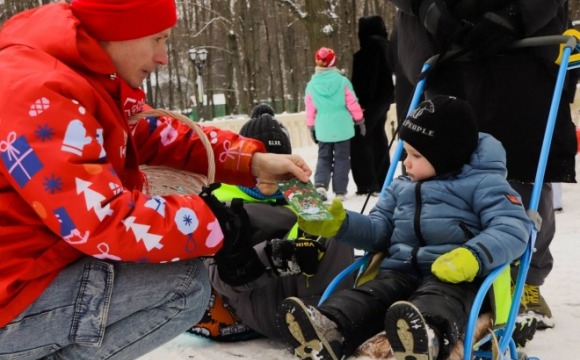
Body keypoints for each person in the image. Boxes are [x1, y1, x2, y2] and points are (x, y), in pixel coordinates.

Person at [0, 2, 311, 359]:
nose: (163, 57)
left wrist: (251, 160)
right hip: (12, 297)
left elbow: (154, 134)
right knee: (182, 287)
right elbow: (102, 219)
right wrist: (216, 223)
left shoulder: (84, 74)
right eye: (157, 39)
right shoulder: (40, 91)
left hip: (31, 270)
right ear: (118, 31)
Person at [276, 96, 531, 360]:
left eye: (416, 155)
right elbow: (378, 230)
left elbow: (513, 226)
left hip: (455, 278)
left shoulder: (484, 184)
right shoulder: (401, 187)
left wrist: (473, 255)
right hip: (399, 273)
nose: (406, 162)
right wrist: (341, 224)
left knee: (438, 300)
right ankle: (329, 327)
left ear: (447, 155)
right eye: (405, 153)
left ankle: (425, 339)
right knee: (369, 296)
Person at [388, 0, 577, 329]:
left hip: (523, 52)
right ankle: (428, 276)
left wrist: (516, 15)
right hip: (442, 48)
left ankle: (525, 280)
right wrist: (428, 8)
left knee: (523, 172)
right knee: (436, 171)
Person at [189, 107, 355, 340]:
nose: (269, 174)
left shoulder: (301, 198)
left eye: (277, 162)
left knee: (336, 227)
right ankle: (324, 323)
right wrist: (277, 255)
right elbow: (219, 278)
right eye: (263, 163)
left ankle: (340, 315)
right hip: (260, 303)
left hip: (318, 300)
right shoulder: (225, 206)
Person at [305, 47, 365, 202]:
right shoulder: (342, 81)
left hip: (323, 126)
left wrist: (311, 126)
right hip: (342, 127)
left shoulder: (312, 84)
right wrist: (359, 120)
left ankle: (320, 186)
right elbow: (352, 102)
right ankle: (340, 191)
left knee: (323, 157)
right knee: (342, 158)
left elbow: (310, 108)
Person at [350, 15, 395, 196]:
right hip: (383, 100)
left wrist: (360, 104)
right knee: (378, 138)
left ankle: (367, 183)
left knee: (360, 139)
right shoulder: (385, 46)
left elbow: (365, 80)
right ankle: (383, 178)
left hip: (370, 102)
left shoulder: (369, 50)